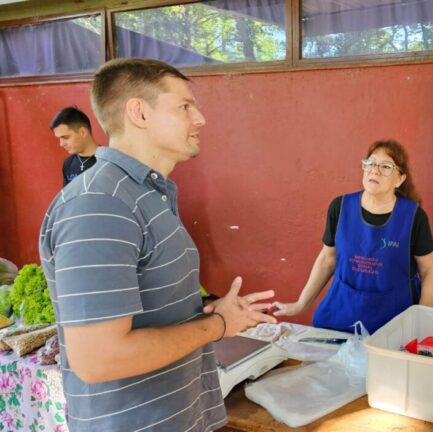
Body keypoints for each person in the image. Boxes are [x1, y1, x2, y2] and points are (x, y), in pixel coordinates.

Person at [39, 58, 277, 431]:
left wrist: (203, 310)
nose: (200, 119)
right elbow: (99, 358)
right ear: (139, 113)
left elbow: (147, 307)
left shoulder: (146, 195)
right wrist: (216, 325)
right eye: (184, 106)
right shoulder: (101, 203)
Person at [271, 139, 433, 334]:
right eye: (370, 163)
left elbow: (430, 270)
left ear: (400, 179)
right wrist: (300, 305)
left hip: (394, 323)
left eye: (386, 166)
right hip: (341, 316)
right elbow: (327, 259)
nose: (374, 170)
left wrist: (420, 319)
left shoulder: (413, 217)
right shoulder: (340, 207)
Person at [49, 106, 100, 186]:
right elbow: (67, 197)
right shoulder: (68, 164)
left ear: (82, 132)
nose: (61, 144)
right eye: (59, 138)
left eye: (65, 137)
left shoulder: (108, 161)